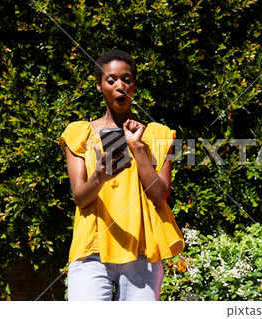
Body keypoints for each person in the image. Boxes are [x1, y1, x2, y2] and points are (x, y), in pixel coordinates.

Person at [60, 49, 184, 301]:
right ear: (99, 86)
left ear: (134, 85)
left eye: (126, 79)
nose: (120, 86)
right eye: (111, 80)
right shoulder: (79, 133)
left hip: (142, 254)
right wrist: (100, 177)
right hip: (91, 252)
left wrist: (137, 147)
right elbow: (80, 198)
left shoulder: (158, 135)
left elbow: (159, 196)